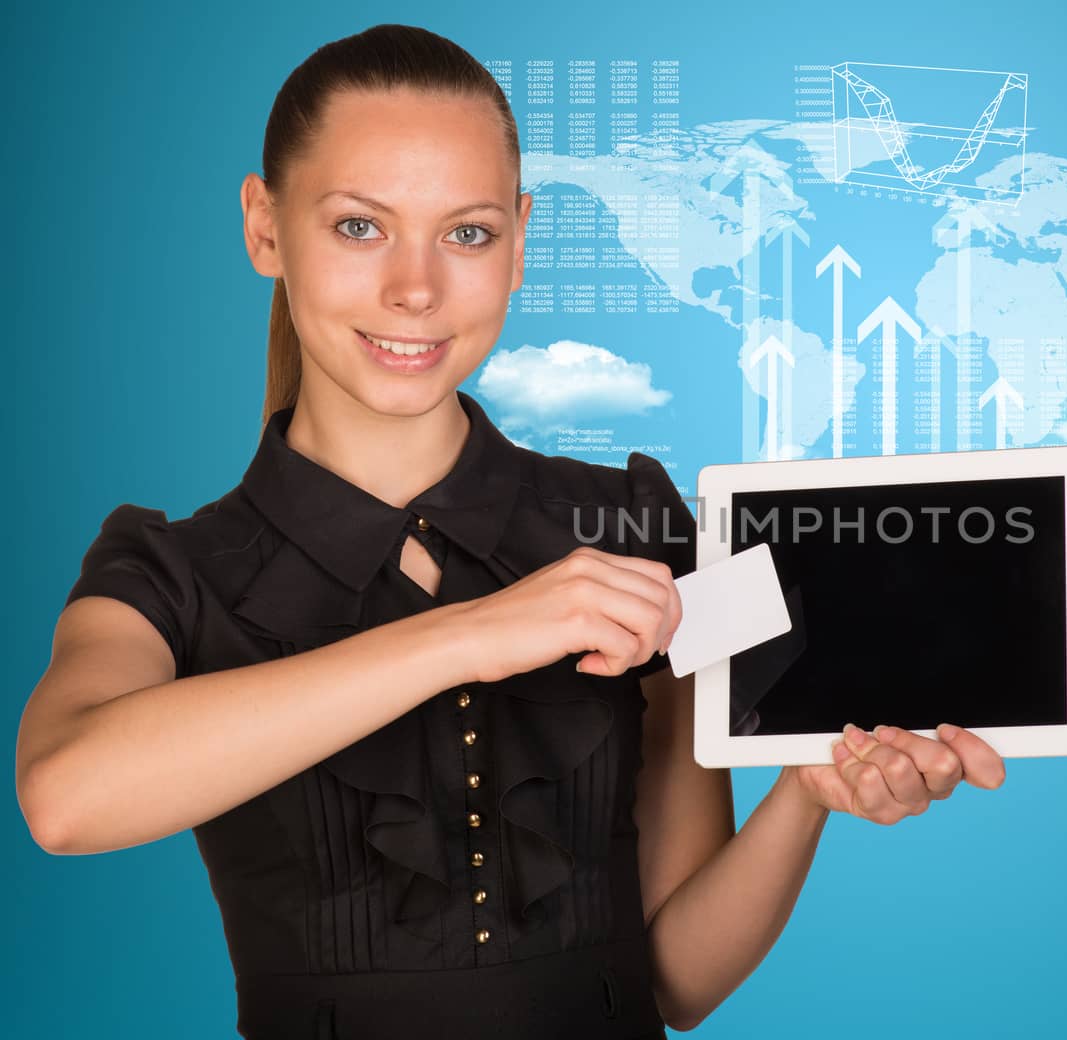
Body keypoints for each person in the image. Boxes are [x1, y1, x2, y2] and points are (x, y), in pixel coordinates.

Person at [15, 23, 1006, 1039]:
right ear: (264, 226)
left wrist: (802, 798)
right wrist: (473, 632)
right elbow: (66, 796)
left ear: (521, 239)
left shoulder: (636, 527)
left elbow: (676, 981)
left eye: (469, 232)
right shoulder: (168, 568)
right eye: (360, 226)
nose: (416, 289)